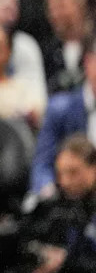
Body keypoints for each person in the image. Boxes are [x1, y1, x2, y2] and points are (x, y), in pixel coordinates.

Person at [6, 135, 96, 273]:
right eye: (61, 173)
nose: (65, 181)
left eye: (73, 172)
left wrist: (68, 260)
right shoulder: (61, 201)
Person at [30, 36, 96, 196]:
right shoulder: (59, 109)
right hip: (70, 198)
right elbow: (42, 166)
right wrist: (49, 193)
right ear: (88, 62)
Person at [42, 0, 91, 94]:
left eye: (60, 4)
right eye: (50, 7)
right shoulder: (47, 53)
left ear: (80, 3)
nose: (55, 13)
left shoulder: (93, 44)